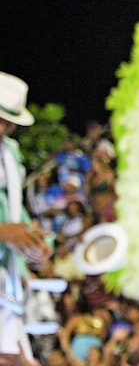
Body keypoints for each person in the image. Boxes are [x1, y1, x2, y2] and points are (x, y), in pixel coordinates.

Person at [0, 71, 51, 361]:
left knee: (14, 355)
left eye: (9, 122)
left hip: (6, 282)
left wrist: (35, 244)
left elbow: (15, 211)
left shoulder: (10, 153)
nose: (3, 127)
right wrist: (3, 232)